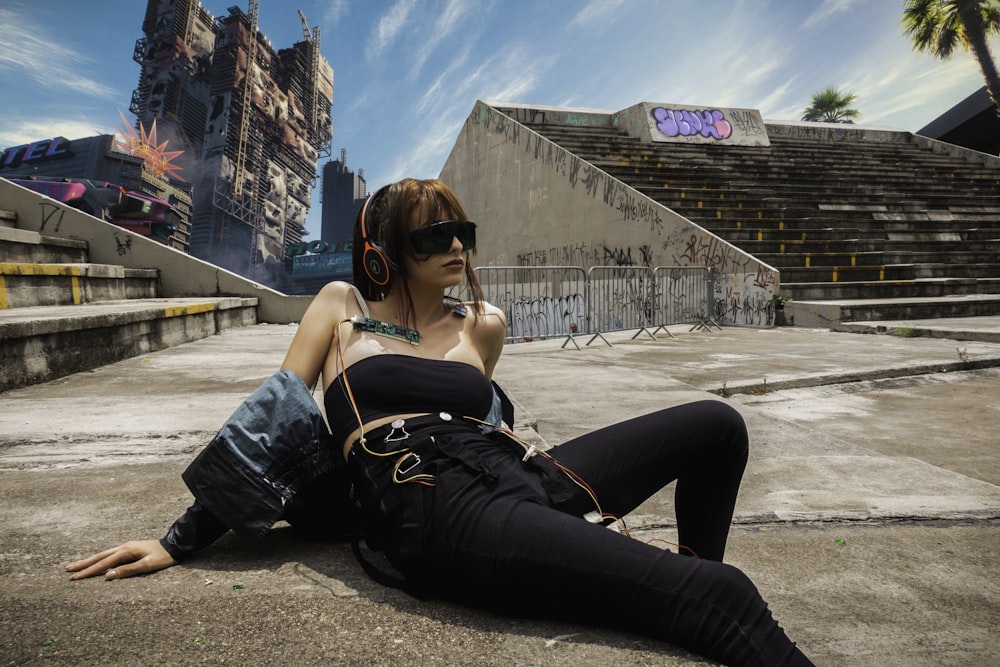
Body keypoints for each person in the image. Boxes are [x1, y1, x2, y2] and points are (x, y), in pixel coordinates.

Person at [67, 178, 813, 666]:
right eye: (432, 236)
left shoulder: (482, 324)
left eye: (461, 230)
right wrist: (181, 538)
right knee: (726, 598)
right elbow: (274, 419)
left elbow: (484, 418)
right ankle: (702, 600)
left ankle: (688, 587)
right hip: (436, 503)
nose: (455, 246)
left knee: (718, 426)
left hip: (511, 472)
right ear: (386, 251)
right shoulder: (341, 308)